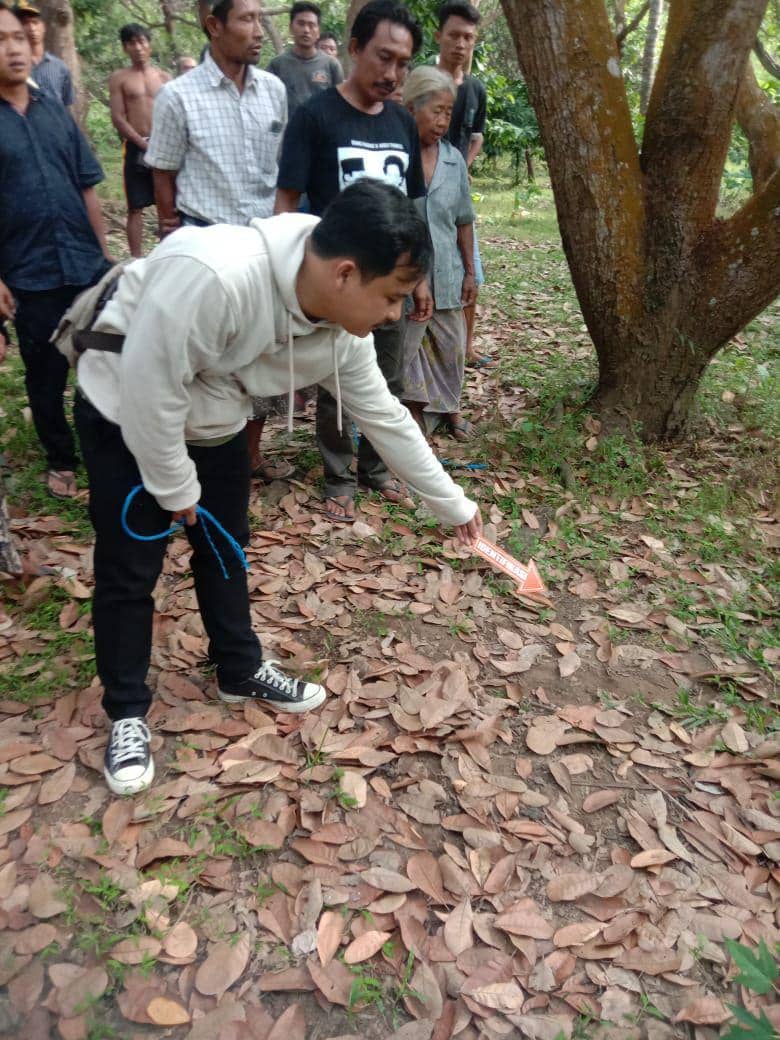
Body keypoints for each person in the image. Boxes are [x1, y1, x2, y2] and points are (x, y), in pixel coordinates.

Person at [72, 180, 482, 796]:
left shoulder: (342, 334)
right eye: (393, 297)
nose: (397, 314)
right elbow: (150, 388)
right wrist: (176, 487)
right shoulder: (216, 276)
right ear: (345, 273)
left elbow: (387, 419)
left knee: (225, 546)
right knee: (132, 567)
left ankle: (238, 668)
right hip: (123, 405)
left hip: (213, 417)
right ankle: (127, 710)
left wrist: (454, 505)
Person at [275, 0, 433, 523]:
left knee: (387, 380)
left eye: (403, 64)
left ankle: (377, 469)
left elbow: (412, 205)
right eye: (383, 58)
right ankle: (338, 475)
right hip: (337, 284)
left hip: (389, 282)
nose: (392, 74)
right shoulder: (315, 117)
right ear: (354, 48)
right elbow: (287, 202)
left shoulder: (403, 124)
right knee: (335, 384)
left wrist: (419, 278)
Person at [146, 0, 288, 482]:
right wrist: (172, 229)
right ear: (214, 26)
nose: (259, 31)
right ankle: (192, 457)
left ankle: (248, 455)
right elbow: (163, 169)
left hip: (263, 247)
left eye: (260, 20)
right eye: (246, 20)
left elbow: (281, 172)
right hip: (206, 244)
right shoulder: (178, 97)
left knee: (262, 353)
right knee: (205, 358)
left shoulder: (274, 90)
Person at [0, 2, 110, 499]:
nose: (13, 48)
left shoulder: (54, 112)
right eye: (1, 40)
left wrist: (104, 260)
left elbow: (87, 184)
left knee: (102, 357)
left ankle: (107, 444)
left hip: (83, 265)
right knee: (44, 374)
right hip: (28, 270)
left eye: (18, 37)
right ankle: (61, 458)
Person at [400, 66, 476, 442]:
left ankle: (450, 408)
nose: (443, 120)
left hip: (446, 270)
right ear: (412, 107)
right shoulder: (398, 157)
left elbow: (464, 219)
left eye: (449, 112)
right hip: (406, 275)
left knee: (451, 346)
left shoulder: (453, 160)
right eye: (436, 111)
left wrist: (469, 271)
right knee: (409, 351)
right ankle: (414, 418)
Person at [435, 0, 489, 367]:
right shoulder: (422, 82)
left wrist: (464, 166)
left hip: (460, 195)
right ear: (439, 36)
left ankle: (466, 348)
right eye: (454, 35)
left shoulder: (475, 89)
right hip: (426, 192)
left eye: (468, 37)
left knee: (473, 272)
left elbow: (478, 135)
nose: (460, 43)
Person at [109, 24, 170, 258]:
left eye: (142, 42)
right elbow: (118, 117)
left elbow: (176, 115)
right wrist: (142, 143)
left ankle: (168, 253)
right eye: (132, 43)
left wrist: (163, 145)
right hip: (136, 146)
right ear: (125, 48)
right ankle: (135, 259)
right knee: (135, 206)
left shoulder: (164, 78)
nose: (138, 47)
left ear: (149, 44)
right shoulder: (120, 79)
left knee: (167, 203)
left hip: (164, 147)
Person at [267, 1, 342, 117]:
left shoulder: (331, 65)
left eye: (311, 25)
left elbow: (340, 104)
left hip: (321, 132)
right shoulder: (277, 64)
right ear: (291, 27)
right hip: (287, 132)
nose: (306, 30)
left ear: (318, 31)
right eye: (301, 24)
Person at [12, 0, 72, 108]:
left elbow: (66, 108)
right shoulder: (10, 66)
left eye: (35, 22)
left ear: (43, 27)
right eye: (25, 23)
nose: (31, 28)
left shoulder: (60, 68)